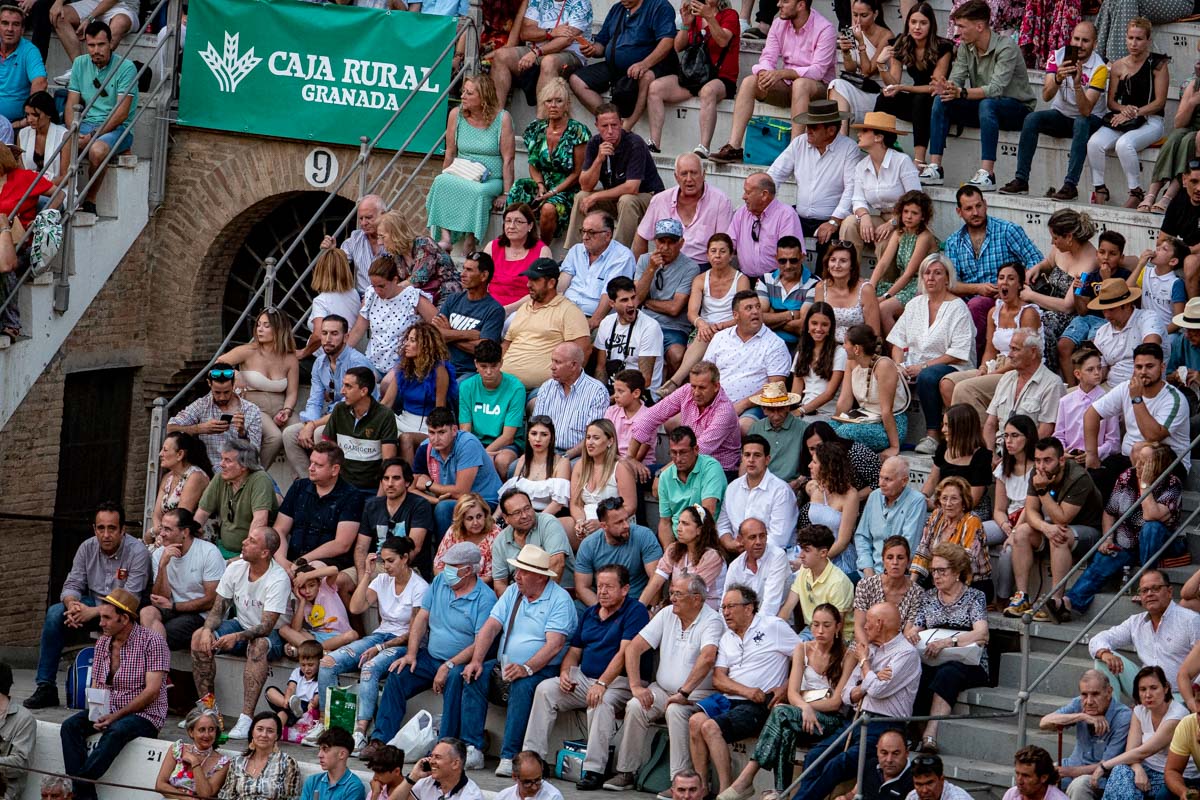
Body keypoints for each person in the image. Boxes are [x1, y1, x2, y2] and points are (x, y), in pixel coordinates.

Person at [360, 542, 495, 767]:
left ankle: (445, 745)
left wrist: (449, 664)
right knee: (399, 673)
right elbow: (422, 617)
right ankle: (380, 740)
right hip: (430, 656)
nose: (447, 570)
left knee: (454, 678)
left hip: (461, 661)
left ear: (469, 570)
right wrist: (411, 654)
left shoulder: (485, 598)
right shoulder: (441, 582)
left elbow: (481, 641)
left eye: (454, 566)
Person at [524, 564, 649, 789]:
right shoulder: (591, 613)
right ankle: (534, 759)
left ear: (625, 589)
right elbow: (574, 651)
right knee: (545, 689)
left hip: (619, 681)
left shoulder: (635, 611)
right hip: (584, 678)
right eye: (599, 586)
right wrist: (564, 673)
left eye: (609, 587)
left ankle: (593, 770)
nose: (602, 592)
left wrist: (602, 683)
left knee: (600, 702)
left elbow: (624, 653)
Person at [464, 544, 577, 778]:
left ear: (539, 576)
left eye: (523, 572)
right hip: (506, 664)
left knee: (524, 686)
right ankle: (473, 747)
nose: (517, 576)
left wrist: (527, 668)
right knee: (473, 674)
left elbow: (554, 645)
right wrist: (476, 660)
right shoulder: (513, 591)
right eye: (517, 571)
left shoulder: (559, 600)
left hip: (545, 668)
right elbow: (491, 626)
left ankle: (510, 755)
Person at [721, 602, 853, 800]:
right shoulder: (803, 648)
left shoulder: (847, 655)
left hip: (831, 721)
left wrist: (806, 707)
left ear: (838, 627)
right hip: (801, 717)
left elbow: (836, 702)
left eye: (826, 625)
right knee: (786, 728)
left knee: (781, 712)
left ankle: (747, 777)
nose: (820, 631)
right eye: (815, 625)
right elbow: (792, 692)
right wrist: (804, 709)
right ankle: (780, 792)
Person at [25, 502, 148, 710]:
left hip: (124, 615)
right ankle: (45, 687)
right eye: (101, 528)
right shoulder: (87, 547)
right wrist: (72, 604)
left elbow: (131, 598)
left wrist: (94, 611)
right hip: (92, 606)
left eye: (112, 528)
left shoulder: (138, 552)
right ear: (94, 529)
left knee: (121, 612)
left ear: (123, 530)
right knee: (56, 613)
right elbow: (73, 584)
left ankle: (125, 694)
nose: (106, 534)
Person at [605, 575, 724, 789]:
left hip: (698, 694)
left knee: (676, 710)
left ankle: (680, 781)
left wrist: (684, 692)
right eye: (671, 593)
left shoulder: (712, 620)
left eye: (678, 594)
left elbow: (708, 657)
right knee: (635, 705)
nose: (672, 599)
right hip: (661, 689)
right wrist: (635, 687)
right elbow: (633, 648)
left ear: (697, 599)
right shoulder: (667, 613)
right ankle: (626, 772)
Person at [793, 603, 921, 800]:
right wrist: (870, 679)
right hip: (856, 719)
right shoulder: (870, 651)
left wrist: (864, 665)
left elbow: (878, 690)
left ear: (879, 624)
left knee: (838, 764)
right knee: (814, 756)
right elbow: (845, 694)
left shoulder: (905, 653)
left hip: (885, 725)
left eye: (868, 622)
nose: (864, 627)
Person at [60, 588, 169, 800]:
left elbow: (152, 691)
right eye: (101, 617)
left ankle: (77, 789)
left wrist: (114, 716)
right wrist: (96, 713)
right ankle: (85, 795)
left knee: (117, 731)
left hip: (145, 715)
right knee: (70, 727)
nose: (101, 623)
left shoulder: (153, 642)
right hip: (109, 708)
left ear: (125, 618)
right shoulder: (103, 642)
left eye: (107, 618)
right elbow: (97, 684)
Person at [917, 0, 1035, 192]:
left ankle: (988, 173)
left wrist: (961, 92)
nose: (958, 32)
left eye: (962, 26)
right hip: (985, 107)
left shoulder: (1006, 47)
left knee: (987, 104)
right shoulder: (965, 46)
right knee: (942, 99)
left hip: (1017, 109)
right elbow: (957, 78)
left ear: (980, 26)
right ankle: (935, 167)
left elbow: (996, 89)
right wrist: (946, 87)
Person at [190, 527, 290, 740]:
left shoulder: (278, 578)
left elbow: (266, 626)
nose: (244, 542)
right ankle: (209, 712)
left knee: (259, 645)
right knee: (199, 637)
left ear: (265, 552)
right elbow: (218, 610)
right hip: (240, 624)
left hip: (276, 634)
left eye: (252, 541)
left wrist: (237, 637)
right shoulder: (235, 568)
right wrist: (208, 630)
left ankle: (245, 718)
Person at [707, 0, 837, 163]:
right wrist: (764, 73)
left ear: (801, 5)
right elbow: (768, 57)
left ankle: (794, 151)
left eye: (785, 1)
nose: (778, 4)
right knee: (749, 82)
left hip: (818, 89)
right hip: (788, 87)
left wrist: (782, 73)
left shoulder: (825, 28)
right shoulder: (778, 24)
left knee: (801, 84)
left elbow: (817, 71)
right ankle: (734, 147)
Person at [1066, 444, 1185, 617]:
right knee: (1102, 560)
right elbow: (1109, 512)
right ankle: (1069, 603)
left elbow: (1151, 514)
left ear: (1159, 466)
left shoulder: (1172, 483)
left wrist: (1145, 483)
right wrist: (1108, 538)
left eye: (1145, 463)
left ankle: (1147, 584)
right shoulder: (1127, 476)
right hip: (1127, 541)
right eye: (1138, 460)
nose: (1138, 466)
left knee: (1151, 528)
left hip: (1161, 544)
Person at [999, 22, 1108, 200]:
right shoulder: (1057, 56)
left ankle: (1070, 185)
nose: (1079, 45)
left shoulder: (1100, 67)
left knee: (1081, 121)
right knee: (1032, 119)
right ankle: (1021, 180)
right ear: (1071, 38)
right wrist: (1058, 77)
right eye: (1076, 39)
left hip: (1090, 119)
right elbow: (1046, 96)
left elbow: (1086, 110)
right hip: (1062, 115)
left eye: (1085, 41)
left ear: (1095, 44)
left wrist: (1078, 83)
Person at [887, 254, 976, 454]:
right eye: (927, 273)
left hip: (953, 366)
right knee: (888, 370)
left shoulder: (958, 308)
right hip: (915, 365)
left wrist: (923, 367)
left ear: (947, 278)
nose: (931, 278)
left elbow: (958, 353)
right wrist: (900, 365)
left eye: (937, 273)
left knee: (928, 377)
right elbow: (897, 342)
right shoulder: (914, 304)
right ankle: (889, 434)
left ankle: (933, 435)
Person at [940, 189, 1043, 360]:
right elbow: (951, 283)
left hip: (1005, 299)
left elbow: (1036, 260)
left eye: (979, 206)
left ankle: (973, 361)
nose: (975, 212)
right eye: (968, 208)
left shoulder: (1007, 230)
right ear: (959, 212)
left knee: (976, 305)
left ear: (985, 204)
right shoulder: (953, 242)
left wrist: (1013, 286)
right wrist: (978, 288)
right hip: (969, 300)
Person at [1010, 438, 1104, 623]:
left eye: (1047, 460)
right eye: (1037, 460)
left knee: (1059, 534)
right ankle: (1021, 597)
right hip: (1055, 525)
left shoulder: (1078, 477)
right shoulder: (1036, 474)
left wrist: (1043, 491)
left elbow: (1063, 518)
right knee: (1021, 532)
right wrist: (1046, 527)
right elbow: (1030, 511)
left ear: (1061, 460)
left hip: (1089, 532)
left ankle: (1055, 600)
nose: (1041, 466)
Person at [908, 543, 990, 752]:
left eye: (942, 571)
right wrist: (911, 633)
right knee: (915, 671)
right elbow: (914, 627)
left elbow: (982, 633)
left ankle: (930, 733)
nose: (936, 575)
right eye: (933, 570)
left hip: (968, 662)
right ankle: (910, 729)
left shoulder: (974, 597)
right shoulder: (927, 597)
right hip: (933, 659)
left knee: (947, 673)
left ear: (957, 572)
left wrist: (948, 642)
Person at [940, 264, 1042, 423]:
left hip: (1018, 369)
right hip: (997, 365)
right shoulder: (994, 312)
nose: (1004, 282)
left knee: (965, 388)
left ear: (1020, 285)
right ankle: (970, 433)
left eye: (1011, 278)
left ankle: (980, 441)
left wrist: (994, 373)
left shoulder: (1028, 312)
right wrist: (983, 368)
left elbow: (1026, 356)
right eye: (1001, 278)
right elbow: (990, 349)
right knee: (947, 383)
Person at [1086, 343, 1190, 497]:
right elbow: (1091, 413)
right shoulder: (1125, 387)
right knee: (1097, 477)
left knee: (1144, 451)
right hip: (1130, 458)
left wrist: (1136, 398)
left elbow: (1153, 436)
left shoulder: (1174, 399)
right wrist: (1092, 455)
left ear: (1162, 367)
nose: (1143, 372)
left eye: (1149, 366)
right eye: (1138, 367)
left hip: (1168, 462)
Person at [1086, 19, 1169, 210]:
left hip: (1151, 120)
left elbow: (1159, 103)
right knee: (1094, 143)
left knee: (1124, 144)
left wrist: (1134, 112)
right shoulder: (1118, 66)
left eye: (1139, 39)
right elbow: (1111, 102)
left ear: (1148, 40)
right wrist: (1124, 111)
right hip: (1124, 118)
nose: (1134, 43)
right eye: (1130, 38)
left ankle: (1136, 191)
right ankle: (1099, 188)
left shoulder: (1158, 64)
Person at [426, 73, 513, 254]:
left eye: (469, 93)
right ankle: (446, 237)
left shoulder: (502, 119)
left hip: (490, 177)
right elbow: (450, 151)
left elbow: (508, 159)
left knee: (478, 192)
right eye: (463, 92)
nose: (463, 97)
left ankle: (471, 238)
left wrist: (506, 192)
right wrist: (446, 174)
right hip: (462, 171)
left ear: (483, 97)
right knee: (441, 182)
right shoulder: (456, 115)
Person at [765, 100, 862, 259]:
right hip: (799, 217)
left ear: (831, 130)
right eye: (807, 125)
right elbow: (775, 174)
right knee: (773, 235)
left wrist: (833, 222)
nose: (807, 130)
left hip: (831, 218)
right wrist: (764, 198)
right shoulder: (799, 143)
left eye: (813, 127)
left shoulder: (849, 149)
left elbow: (851, 188)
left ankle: (823, 283)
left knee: (829, 259)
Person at [285, 315, 378, 478]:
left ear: (346, 337)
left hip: (359, 418)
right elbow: (314, 400)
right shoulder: (319, 362)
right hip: (332, 416)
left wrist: (312, 425)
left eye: (334, 333)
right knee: (289, 434)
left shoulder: (357, 362)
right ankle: (310, 482)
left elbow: (346, 407)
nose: (328, 339)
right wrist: (308, 423)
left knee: (320, 432)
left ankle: (328, 481)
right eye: (324, 333)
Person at [645, 0, 740, 158]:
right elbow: (678, 47)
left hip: (722, 77)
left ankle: (704, 146)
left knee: (708, 91)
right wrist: (685, 24)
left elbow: (722, 41)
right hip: (694, 76)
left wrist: (709, 17)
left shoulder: (730, 15)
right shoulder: (696, 17)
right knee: (656, 88)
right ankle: (654, 143)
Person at [564, 104, 664, 250]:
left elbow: (632, 187)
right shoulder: (594, 143)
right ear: (597, 126)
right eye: (605, 126)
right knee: (581, 196)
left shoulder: (634, 143)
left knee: (627, 200)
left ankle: (617, 254)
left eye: (614, 125)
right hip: (615, 199)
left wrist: (596, 197)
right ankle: (574, 252)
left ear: (621, 124)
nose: (610, 131)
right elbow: (585, 185)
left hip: (647, 198)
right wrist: (598, 159)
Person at [567, 0, 678, 130]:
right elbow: (601, 43)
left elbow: (667, 42)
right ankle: (610, 120)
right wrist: (591, 49)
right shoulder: (617, 9)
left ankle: (627, 125)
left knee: (643, 78)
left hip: (648, 66)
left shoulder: (659, 6)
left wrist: (644, 64)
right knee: (576, 80)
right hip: (614, 66)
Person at [62, 21, 136, 215]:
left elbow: (121, 113)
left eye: (101, 45)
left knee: (97, 150)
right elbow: (71, 104)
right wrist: (74, 130)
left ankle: (90, 200)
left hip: (116, 127)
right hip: (86, 124)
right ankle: (62, 196)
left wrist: (93, 135)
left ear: (110, 43)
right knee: (64, 140)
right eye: (91, 45)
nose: (96, 50)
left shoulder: (126, 67)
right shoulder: (80, 63)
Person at [1094, 570, 1200, 703]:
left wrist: (1193, 699)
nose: (1149, 594)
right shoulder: (1136, 622)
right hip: (1145, 688)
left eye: (1155, 588)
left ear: (1169, 591)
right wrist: (1105, 653)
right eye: (1144, 590)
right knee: (1102, 660)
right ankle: (1112, 716)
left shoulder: (1191, 620)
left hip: (1177, 694)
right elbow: (1097, 640)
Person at [1095, 666, 1196, 800]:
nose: (1148, 694)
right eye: (1143, 689)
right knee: (1121, 771)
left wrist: (1104, 766)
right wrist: (1137, 769)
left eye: (1153, 688)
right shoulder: (1139, 711)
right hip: (1146, 770)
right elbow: (1131, 750)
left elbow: (1144, 751)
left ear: (1166, 688)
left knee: (1120, 773)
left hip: (1174, 776)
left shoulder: (1177, 715)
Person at [873, 4, 953, 169]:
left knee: (920, 99)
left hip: (936, 101)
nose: (917, 27)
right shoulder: (902, 43)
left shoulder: (943, 47)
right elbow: (893, 82)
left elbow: (934, 87)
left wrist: (903, 88)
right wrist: (881, 64)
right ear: (907, 23)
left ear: (931, 25)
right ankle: (880, 149)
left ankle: (919, 161)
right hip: (916, 99)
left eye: (923, 23)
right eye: (913, 22)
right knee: (884, 98)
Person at [220, 308, 300, 470]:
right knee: (275, 437)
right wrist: (235, 374)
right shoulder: (248, 351)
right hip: (254, 406)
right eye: (259, 325)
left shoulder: (290, 358)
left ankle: (303, 479)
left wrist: (287, 410)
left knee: (299, 432)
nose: (260, 329)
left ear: (279, 329)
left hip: (281, 406)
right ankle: (254, 473)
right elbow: (218, 365)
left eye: (266, 326)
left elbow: (292, 392)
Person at [630, 364, 742, 478]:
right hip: (685, 463)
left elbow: (698, 450)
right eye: (693, 386)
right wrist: (630, 458)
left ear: (716, 386)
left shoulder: (725, 411)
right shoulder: (686, 391)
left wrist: (661, 475)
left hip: (717, 470)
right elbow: (650, 416)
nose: (696, 392)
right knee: (629, 473)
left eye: (702, 387)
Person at [706, 290, 793, 434]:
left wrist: (742, 405)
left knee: (743, 427)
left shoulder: (775, 344)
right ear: (735, 315)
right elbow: (706, 374)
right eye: (749, 308)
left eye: (758, 307)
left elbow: (776, 386)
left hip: (754, 406)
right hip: (715, 401)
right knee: (674, 421)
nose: (755, 312)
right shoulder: (720, 338)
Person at [411, 407, 503, 539]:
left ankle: (445, 555)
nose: (436, 439)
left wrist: (429, 485)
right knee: (420, 506)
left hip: (485, 500)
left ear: (454, 430)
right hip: (450, 499)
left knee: (444, 508)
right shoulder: (425, 448)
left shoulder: (467, 444)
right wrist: (435, 500)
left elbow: (461, 492)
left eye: (441, 432)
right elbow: (411, 489)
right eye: (431, 432)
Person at [502, 258, 593, 391]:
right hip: (505, 385)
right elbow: (506, 345)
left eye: (535, 280)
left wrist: (563, 387)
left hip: (542, 390)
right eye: (528, 280)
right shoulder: (523, 308)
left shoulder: (569, 311)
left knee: (538, 408)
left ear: (551, 283)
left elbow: (583, 351)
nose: (528, 284)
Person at [840, 113, 921, 259]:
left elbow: (916, 200)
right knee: (849, 223)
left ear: (879, 137)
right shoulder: (861, 166)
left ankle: (885, 282)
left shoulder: (902, 161)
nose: (859, 134)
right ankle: (850, 278)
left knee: (884, 242)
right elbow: (857, 199)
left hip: (906, 223)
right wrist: (864, 216)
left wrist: (893, 223)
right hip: (881, 219)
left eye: (865, 131)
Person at [141, 508, 223, 650]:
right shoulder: (160, 554)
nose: (161, 534)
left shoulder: (209, 553)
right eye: (161, 528)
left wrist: (173, 606)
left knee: (164, 632)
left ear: (185, 532)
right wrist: (162, 566)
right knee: (146, 613)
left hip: (201, 614)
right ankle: (156, 665)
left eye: (167, 529)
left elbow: (211, 601)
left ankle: (155, 666)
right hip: (172, 607)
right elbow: (159, 598)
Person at [1042, 671, 1133, 799]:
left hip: (1100, 777)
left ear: (1109, 692)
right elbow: (1044, 722)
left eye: (1095, 694)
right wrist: (1081, 716)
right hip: (1071, 765)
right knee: (1034, 776)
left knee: (1079, 785)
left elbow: (1107, 764)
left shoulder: (1123, 717)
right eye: (1084, 694)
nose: (1089, 701)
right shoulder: (1079, 704)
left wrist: (1070, 772)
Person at [347, 255, 438, 378]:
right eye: (374, 286)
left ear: (395, 280)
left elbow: (437, 326)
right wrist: (342, 354)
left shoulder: (412, 297)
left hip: (402, 363)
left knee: (387, 385)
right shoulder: (371, 295)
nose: (377, 290)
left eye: (381, 286)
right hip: (374, 360)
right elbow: (358, 329)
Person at [487, 1, 591, 108]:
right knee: (502, 55)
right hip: (535, 51)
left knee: (549, 61)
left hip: (569, 54)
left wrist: (537, 52)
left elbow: (566, 40)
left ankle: (541, 121)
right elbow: (525, 33)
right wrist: (550, 32)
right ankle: (496, 117)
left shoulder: (581, 3)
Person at [634, 155, 733, 266]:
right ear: (676, 177)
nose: (689, 179)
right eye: (684, 174)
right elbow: (641, 235)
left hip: (702, 267)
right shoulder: (660, 200)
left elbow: (724, 244)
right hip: (666, 264)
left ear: (703, 174)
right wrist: (640, 272)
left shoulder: (720, 201)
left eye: (694, 173)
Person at [167, 362, 264, 474]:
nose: (222, 397)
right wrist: (200, 429)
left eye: (227, 392)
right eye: (217, 392)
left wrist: (242, 433)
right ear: (209, 384)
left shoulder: (251, 410)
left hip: (242, 469)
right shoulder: (201, 405)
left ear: (233, 385)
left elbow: (254, 453)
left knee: (273, 489)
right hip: (212, 471)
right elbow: (169, 428)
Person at [633, 219, 701, 377]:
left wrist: (646, 302)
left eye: (671, 242)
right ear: (655, 241)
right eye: (661, 241)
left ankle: (669, 395)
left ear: (681, 243)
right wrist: (651, 269)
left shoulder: (690, 267)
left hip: (672, 327)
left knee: (677, 355)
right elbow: (635, 299)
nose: (665, 247)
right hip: (644, 322)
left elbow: (674, 308)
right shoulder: (645, 260)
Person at [646, 423, 730, 550]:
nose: (678, 459)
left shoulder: (711, 468)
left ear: (696, 450)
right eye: (673, 453)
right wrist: (670, 552)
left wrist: (689, 551)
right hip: (677, 540)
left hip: (705, 540)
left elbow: (707, 513)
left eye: (683, 452)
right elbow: (665, 522)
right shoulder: (665, 477)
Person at [192, 438, 279, 558]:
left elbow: (260, 520)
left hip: (252, 555)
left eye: (227, 460)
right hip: (222, 548)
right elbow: (202, 513)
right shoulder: (220, 478)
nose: (221, 464)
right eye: (222, 458)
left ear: (244, 466)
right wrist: (191, 539)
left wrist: (243, 556)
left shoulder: (260, 479)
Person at [318, 367, 398, 495]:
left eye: (348, 386)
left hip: (370, 490)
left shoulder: (385, 416)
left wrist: (378, 501)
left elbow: (388, 463)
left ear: (363, 391)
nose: (342, 391)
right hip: (341, 488)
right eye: (343, 385)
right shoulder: (339, 410)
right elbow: (326, 452)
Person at [835, 323, 911, 456]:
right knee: (825, 430)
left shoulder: (884, 365)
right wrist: (836, 420)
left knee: (844, 432)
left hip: (889, 425)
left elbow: (886, 410)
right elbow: (845, 399)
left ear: (856, 348)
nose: (843, 346)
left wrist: (894, 446)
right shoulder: (851, 362)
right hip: (865, 418)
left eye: (846, 343)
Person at [870, 190, 939, 334]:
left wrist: (885, 297)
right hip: (901, 283)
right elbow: (882, 263)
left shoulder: (924, 237)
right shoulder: (899, 232)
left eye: (914, 213)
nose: (908, 216)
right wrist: (870, 288)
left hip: (919, 285)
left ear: (922, 217)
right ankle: (875, 344)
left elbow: (909, 274)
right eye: (906, 211)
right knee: (866, 299)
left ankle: (896, 350)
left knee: (883, 309)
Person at [912, 476, 992, 600]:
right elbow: (923, 552)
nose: (948, 504)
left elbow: (966, 563)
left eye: (954, 499)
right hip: (939, 580)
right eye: (944, 498)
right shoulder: (936, 515)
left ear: (964, 501)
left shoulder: (972, 521)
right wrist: (912, 584)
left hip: (971, 583)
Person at [382, 323, 456, 458]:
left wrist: (435, 433)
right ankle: (386, 473)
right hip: (404, 419)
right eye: (407, 339)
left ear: (425, 345)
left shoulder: (440, 370)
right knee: (379, 429)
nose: (406, 344)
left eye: (412, 340)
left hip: (427, 425)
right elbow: (387, 402)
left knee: (406, 439)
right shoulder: (403, 367)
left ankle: (409, 478)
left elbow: (440, 409)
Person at [717, 435, 799, 552]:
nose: (751, 460)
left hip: (773, 557)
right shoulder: (732, 488)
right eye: (747, 455)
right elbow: (723, 524)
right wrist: (730, 543)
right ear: (742, 458)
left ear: (767, 459)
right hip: (736, 554)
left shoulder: (781, 491)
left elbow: (779, 537)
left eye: (757, 455)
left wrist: (747, 548)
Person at [458, 339, 525, 480]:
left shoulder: (516, 388)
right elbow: (465, 429)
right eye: (483, 366)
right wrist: (475, 451)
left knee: (502, 460)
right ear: (476, 364)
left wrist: (481, 454)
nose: (489, 372)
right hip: (477, 442)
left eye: (493, 366)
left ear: (501, 363)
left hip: (507, 445)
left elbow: (508, 436)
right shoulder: (466, 387)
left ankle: (502, 497)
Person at [575, 496, 662, 604]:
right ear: (603, 526)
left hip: (636, 602)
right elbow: (582, 588)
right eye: (619, 522)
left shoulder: (644, 535)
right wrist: (604, 611)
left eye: (627, 519)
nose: (626, 525)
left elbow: (656, 579)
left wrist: (642, 610)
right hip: (602, 603)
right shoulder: (588, 545)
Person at [358, 457, 435, 579]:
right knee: (342, 581)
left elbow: (414, 548)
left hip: (407, 567)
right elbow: (361, 548)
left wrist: (387, 572)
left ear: (407, 482)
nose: (390, 484)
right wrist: (362, 576)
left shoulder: (420, 505)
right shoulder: (372, 505)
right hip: (376, 565)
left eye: (396, 478)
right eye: (386, 478)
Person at [531, 343, 611, 458]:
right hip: (545, 451)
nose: (552, 367)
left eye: (558, 362)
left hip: (579, 455)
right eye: (552, 361)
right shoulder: (547, 387)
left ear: (573, 365)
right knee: (513, 468)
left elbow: (594, 435)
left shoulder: (597, 391)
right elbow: (536, 426)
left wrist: (566, 456)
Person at [435, 252, 505, 382]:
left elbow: (483, 350)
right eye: (463, 269)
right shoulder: (453, 299)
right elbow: (435, 334)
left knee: (457, 390)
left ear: (484, 276)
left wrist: (449, 334)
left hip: (469, 372)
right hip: (441, 365)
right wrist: (467, 334)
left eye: (469, 270)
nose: (462, 274)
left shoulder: (495, 310)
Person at [641, 503, 726, 609]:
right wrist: (639, 608)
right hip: (678, 607)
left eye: (685, 524)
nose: (678, 528)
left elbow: (692, 593)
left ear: (699, 529)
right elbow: (656, 582)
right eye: (679, 522)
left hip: (706, 612)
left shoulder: (712, 556)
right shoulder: (673, 549)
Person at [856, 457, 929, 577]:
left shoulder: (916, 501)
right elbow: (862, 537)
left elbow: (908, 546)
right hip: (869, 571)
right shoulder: (874, 496)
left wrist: (881, 579)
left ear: (904, 481)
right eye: (880, 477)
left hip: (899, 574)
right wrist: (868, 569)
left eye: (887, 479)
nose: (881, 483)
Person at [492, 488, 575, 592]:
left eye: (527, 508)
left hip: (559, 594)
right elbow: (500, 583)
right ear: (506, 518)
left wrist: (541, 600)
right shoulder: (500, 540)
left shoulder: (548, 523)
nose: (525, 515)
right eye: (517, 513)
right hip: (521, 598)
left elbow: (557, 563)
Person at [826, 0, 894, 127]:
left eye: (863, 16)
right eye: (855, 15)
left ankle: (841, 135)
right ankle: (841, 135)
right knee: (836, 85)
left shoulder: (886, 35)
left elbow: (867, 71)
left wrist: (861, 43)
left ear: (875, 14)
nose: (858, 20)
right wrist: (846, 53)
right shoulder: (852, 31)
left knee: (837, 86)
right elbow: (850, 69)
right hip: (858, 86)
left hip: (877, 92)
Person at [779, 524, 856, 636]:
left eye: (807, 550)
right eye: (801, 550)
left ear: (823, 553)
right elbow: (787, 608)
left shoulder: (838, 582)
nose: (801, 556)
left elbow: (836, 628)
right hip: (811, 630)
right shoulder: (804, 571)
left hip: (839, 637)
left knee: (797, 652)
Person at [561, 212, 637, 325]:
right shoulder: (576, 250)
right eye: (583, 231)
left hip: (593, 319)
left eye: (591, 233)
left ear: (607, 235)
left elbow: (610, 295)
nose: (584, 237)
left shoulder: (622, 257)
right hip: (565, 313)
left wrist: (592, 323)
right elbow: (561, 284)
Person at [919, 405, 993, 522]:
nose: (943, 430)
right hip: (946, 504)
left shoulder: (981, 456)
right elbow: (932, 480)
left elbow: (973, 500)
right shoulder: (943, 447)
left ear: (962, 428)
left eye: (948, 425)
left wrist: (936, 505)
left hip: (971, 510)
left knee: (941, 523)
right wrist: (922, 498)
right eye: (943, 425)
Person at [798, 442, 862, 576]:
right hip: (812, 551)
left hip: (836, 555)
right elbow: (807, 486)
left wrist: (818, 561)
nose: (809, 465)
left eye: (814, 462)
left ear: (828, 466)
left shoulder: (850, 495)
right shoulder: (815, 487)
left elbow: (843, 541)